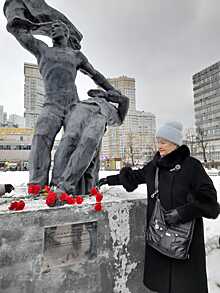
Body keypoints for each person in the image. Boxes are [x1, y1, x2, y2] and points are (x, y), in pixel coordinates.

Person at [98, 121, 220, 293]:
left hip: (185, 243)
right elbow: (134, 176)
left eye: (163, 142)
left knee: (184, 286)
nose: (159, 146)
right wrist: (108, 180)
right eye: (158, 141)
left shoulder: (192, 167)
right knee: (162, 286)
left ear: (175, 143)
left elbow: (210, 203)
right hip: (159, 238)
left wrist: (182, 212)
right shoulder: (155, 167)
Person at [6, 20, 119, 186]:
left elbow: (95, 75)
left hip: (74, 106)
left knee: (74, 141)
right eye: (50, 28)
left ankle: (70, 185)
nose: (52, 29)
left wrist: (111, 91)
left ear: (66, 32)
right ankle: (37, 184)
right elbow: (17, 31)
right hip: (52, 105)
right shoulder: (42, 50)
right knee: (41, 135)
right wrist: (37, 25)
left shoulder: (76, 56)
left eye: (56, 27)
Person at [51, 89, 129, 195]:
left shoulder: (113, 111)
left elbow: (125, 100)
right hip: (79, 112)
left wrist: (107, 95)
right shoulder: (83, 102)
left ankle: (65, 186)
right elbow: (89, 92)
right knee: (66, 145)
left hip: (99, 116)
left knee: (88, 144)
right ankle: (55, 185)